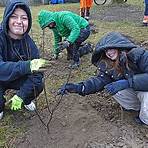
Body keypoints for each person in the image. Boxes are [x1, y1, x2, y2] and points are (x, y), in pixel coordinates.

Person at [58, 31, 148, 126]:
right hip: (137, 91)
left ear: (119, 46)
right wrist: (79, 87)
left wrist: (128, 83)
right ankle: (139, 108)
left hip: (145, 90)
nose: (108, 53)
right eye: (105, 50)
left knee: (145, 94)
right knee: (114, 89)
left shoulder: (140, 55)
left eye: (111, 48)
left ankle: (145, 119)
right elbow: (100, 81)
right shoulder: (110, 63)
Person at [0, 0, 49, 119]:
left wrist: (21, 95)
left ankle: (25, 100)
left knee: (38, 85)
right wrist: (27, 66)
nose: (19, 22)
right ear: (7, 18)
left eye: (24, 18)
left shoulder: (29, 44)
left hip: (17, 78)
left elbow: (37, 76)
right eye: (14, 17)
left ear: (29, 21)